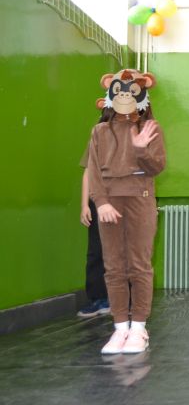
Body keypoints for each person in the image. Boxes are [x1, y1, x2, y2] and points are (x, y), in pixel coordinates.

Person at [87, 69, 165, 354]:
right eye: (118, 90)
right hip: (109, 203)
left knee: (139, 265)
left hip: (140, 200)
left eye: (130, 91)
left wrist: (141, 148)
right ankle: (120, 327)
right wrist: (101, 202)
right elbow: (93, 170)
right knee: (114, 266)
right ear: (110, 92)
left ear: (142, 94)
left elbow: (157, 166)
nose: (124, 96)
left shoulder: (151, 128)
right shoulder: (99, 131)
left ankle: (139, 328)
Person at [77, 135, 110, 318]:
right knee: (96, 251)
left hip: (124, 200)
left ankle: (126, 300)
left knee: (126, 252)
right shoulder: (97, 136)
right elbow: (88, 172)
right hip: (98, 202)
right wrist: (84, 205)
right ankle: (98, 299)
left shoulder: (135, 133)